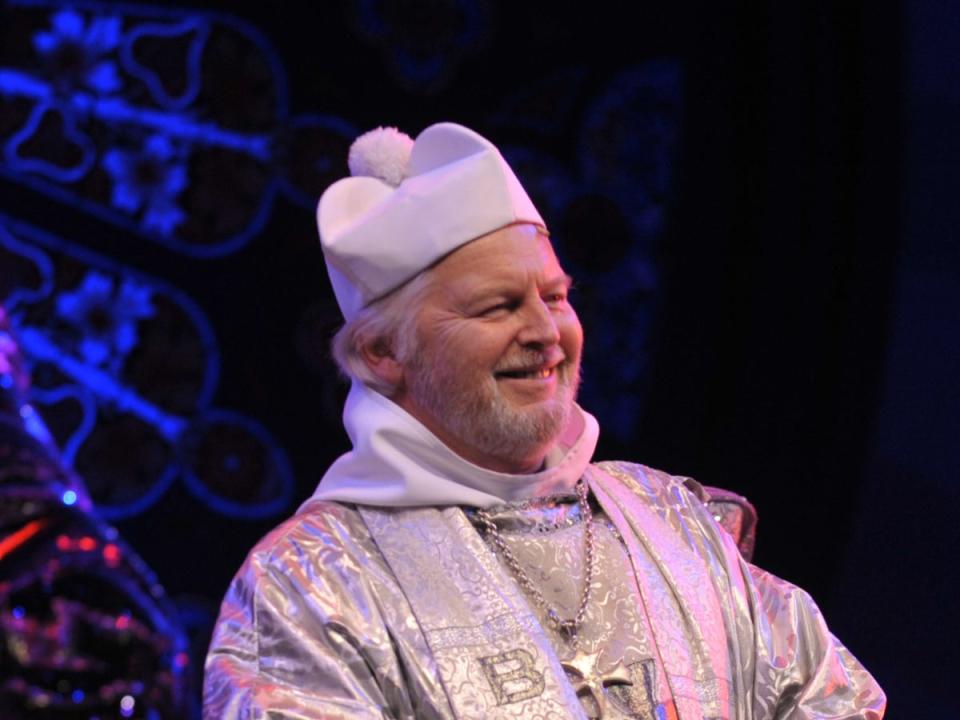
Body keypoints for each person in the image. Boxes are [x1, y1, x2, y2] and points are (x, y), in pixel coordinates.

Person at [203, 123, 885, 719]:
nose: (545, 331)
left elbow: (828, 698)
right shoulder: (311, 586)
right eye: (497, 306)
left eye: (555, 296)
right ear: (384, 353)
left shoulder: (668, 517)